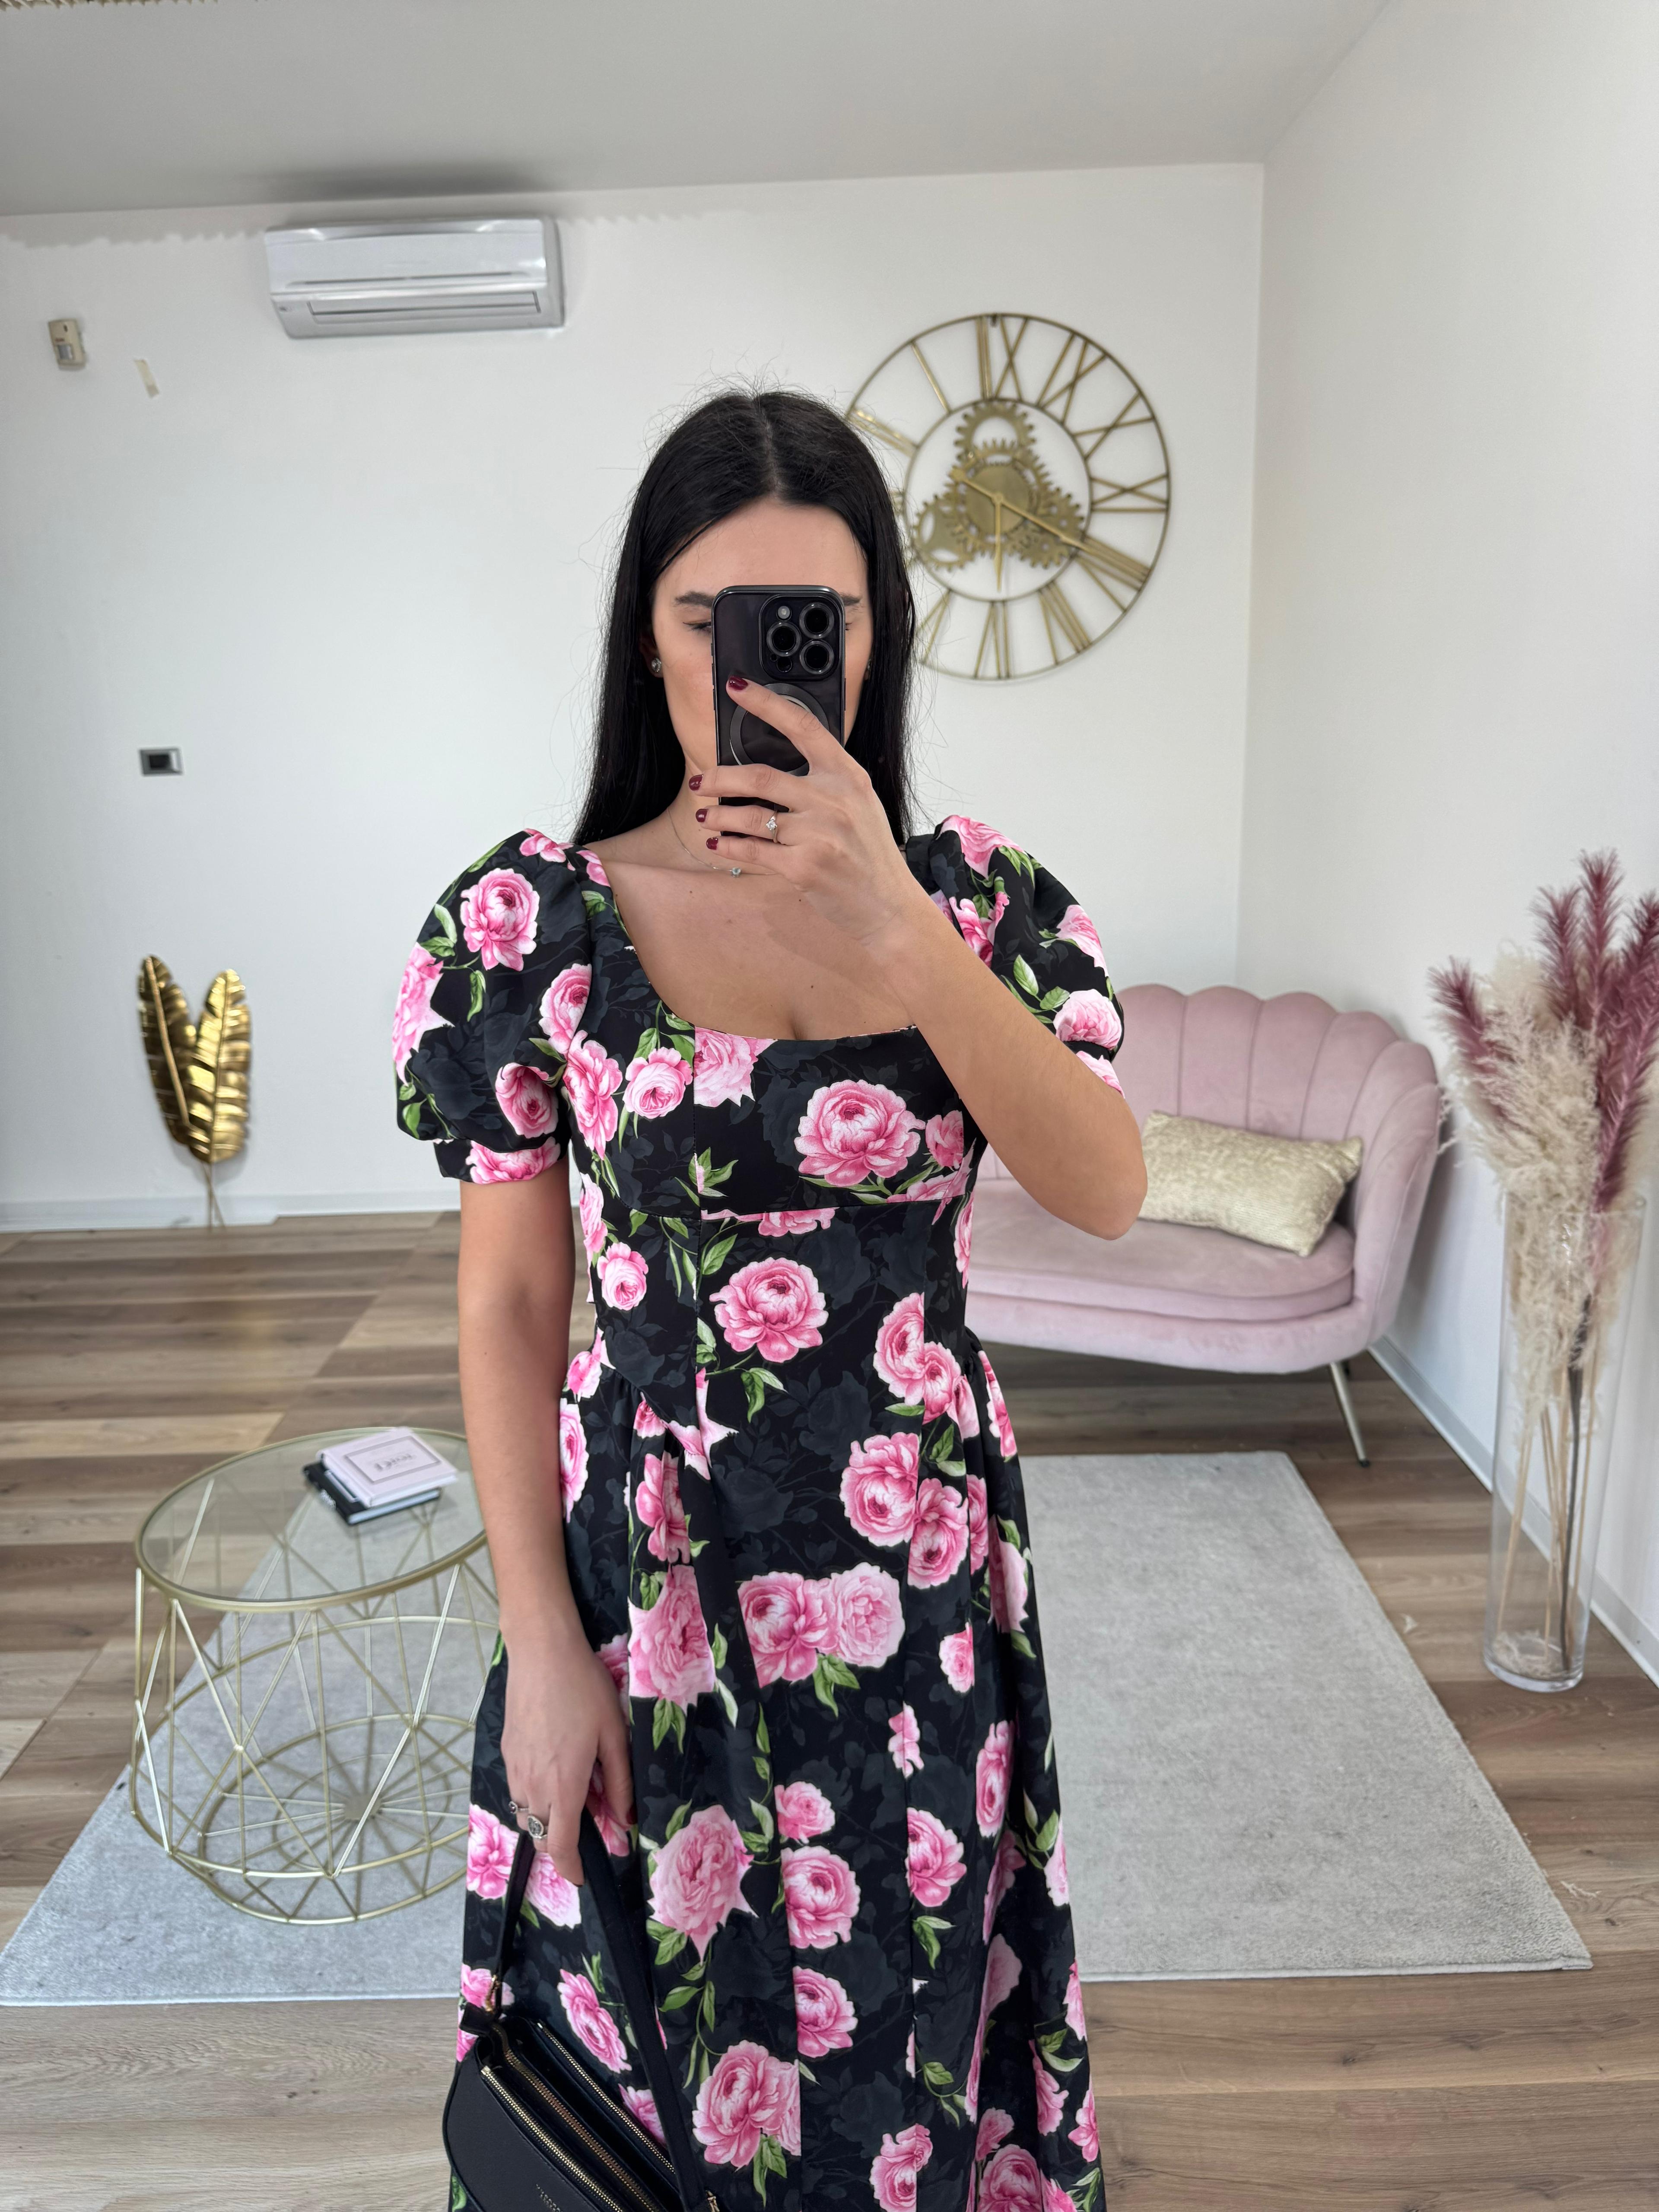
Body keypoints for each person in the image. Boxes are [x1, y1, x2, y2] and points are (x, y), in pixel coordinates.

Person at [394, 388, 1144, 2212]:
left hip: (915, 1569)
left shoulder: (980, 903)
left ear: (876, 636)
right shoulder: (538, 924)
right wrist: (538, 1639)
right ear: (648, 639)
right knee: (662, 2010)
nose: (763, 667)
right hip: (649, 1566)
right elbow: (509, 1310)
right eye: (710, 618)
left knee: (902, 1976)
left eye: (819, 619)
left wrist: (904, 934)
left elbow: (1107, 1186)